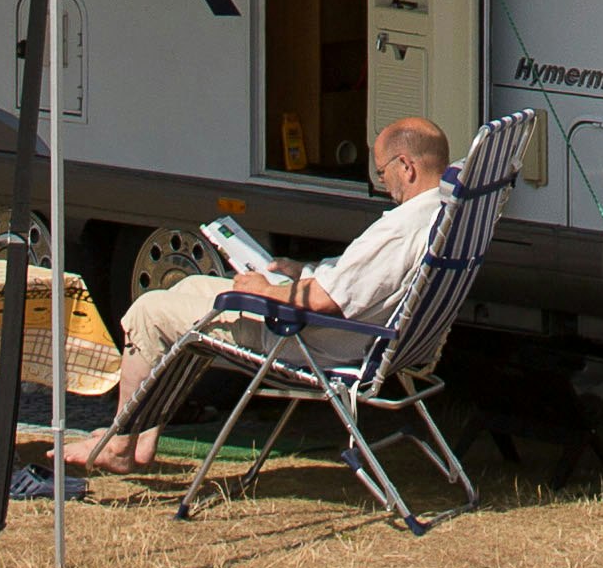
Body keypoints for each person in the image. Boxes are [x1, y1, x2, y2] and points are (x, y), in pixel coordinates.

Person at [62, 116, 454, 470]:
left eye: (382, 171)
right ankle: (141, 437)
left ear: (407, 166)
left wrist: (265, 291)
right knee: (191, 287)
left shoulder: (398, 231)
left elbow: (324, 301)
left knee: (150, 310)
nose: (380, 182)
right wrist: (303, 271)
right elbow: (357, 284)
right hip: (358, 339)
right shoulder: (439, 216)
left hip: (306, 342)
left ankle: (120, 445)